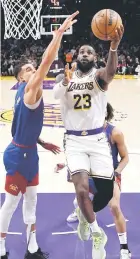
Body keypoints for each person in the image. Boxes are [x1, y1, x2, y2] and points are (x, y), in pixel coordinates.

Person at [0, 11, 79, 259]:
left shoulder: (23, 92)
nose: (33, 69)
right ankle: (0, 247)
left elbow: (20, 126)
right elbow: (46, 61)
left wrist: (41, 141)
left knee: (31, 202)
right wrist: (57, 35)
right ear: (21, 77)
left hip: (29, 151)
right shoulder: (30, 89)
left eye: (33, 68)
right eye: (28, 69)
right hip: (18, 156)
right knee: (11, 203)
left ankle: (32, 248)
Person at [53, 25, 124, 259]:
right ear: (76, 56)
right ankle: (96, 233)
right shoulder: (64, 77)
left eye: (89, 52)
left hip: (97, 139)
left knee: (105, 191)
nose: (84, 54)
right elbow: (55, 95)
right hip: (73, 140)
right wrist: (64, 81)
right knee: (81, 189)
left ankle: (85, 215)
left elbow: (111, 73)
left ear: (95, 58)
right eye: (81, 51)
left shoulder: (99, 76)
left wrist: (113, 47)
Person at [56, 103, 131, 259]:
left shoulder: (115, 132)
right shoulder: (82, 132)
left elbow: (125, 158)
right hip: (89, 173)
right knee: (78, 183)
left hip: (108, 173)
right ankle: (80, 210)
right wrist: (65, 164)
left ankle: (124, 248)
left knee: (115, 207)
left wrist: (116, 172)